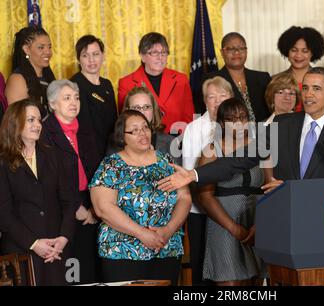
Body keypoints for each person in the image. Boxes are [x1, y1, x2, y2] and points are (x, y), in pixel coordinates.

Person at [158, 67, 324, 195]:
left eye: (316, 89)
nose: (308, 95)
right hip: (285, 219)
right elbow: (240, 159)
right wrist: (193, 174)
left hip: (323, 217)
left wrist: (292, 189)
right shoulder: (282, 124)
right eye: (305, 88)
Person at [89, 110, 191, 285]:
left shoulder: (165, 160)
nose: (142, 133)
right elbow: (103, 207)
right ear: (122, 136)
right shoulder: (111, 165)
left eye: (145, 128)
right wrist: (141, 233)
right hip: (122, 251)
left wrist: (168, 230)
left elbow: (185, 198)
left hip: (165, 247)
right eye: (134, 130)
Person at [0, 99, 77, 285]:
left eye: (39, 120)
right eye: (30, 120)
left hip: (55, 252)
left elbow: (69, 202)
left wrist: (63, 238)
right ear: (15, 123)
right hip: (21, 254)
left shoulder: (53, 156)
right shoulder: (3, 162)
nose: (37, 125)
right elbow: (4, 214)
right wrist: (35, 244)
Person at [198, 98, 265, 286]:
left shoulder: (261, 147)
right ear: (221, 123)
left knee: (257, 283)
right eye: (231, 119)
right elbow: (204, 196)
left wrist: (260, 225)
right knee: (231, 285)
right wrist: (233, 228)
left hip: (258, 223)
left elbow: (272, 188)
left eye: (242, 117)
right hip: (224, 223)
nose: (238, 123)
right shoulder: (211, 150)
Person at [41, 80, 102, 284]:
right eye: (66, 98)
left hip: (89, 202)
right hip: (62, 206)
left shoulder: (84, 129)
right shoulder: (44, 133)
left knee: (88, 264)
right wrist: (76, 207)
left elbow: (97, 169)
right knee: (68, 268)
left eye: (76, 98)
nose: (73, 102)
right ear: (52, 104)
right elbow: (50, 177)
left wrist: (95, 206)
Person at [182, 76, 233, 285]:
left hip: (232, 209)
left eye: (223, 95)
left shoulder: (244, 129)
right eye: (211, 96)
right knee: (203, 268)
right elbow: (189, 172)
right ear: (205, 101)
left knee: (229, 267)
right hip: (201, 211)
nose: (217, 101)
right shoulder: (194, 128)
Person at [118, 32, 194, 135]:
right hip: (143, 141)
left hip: (177, 142)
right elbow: (125, 122)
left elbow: (189, 117)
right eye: (154, 53)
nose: (160, 57)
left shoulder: (181, 79)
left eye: (163, 52)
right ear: (142, 56)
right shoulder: (126, 83)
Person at [203, 32, 271, 124]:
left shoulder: (263, 78)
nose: (236, 52)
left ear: (246, 51)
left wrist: (270, 136)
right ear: (222, 52)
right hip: (229, 135)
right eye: (231, 49)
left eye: (241, 48)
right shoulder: (211, 79)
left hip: (264, 134)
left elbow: (271, 111)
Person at [71, 35, 118, 157]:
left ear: (103, 55)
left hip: (111, 151)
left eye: (95, 54)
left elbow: (114, 121)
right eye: (85, 55)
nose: (91, 60)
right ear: (78, 59)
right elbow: (81, 129)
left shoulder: (107, 84)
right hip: (87, 154)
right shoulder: (74, 85)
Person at [111, 86, 179, 164]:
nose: (142, 112)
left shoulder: (171, 142)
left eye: (146, 107)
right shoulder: (115, 141)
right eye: (136, 108)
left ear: (154, 109)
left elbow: (180, 175)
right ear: (127, 110)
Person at [5, 26, 55, 117]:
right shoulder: (17, 80)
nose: (48, 52)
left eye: (49, 47)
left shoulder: (48, 77)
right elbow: (18, 120)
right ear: (26, 49)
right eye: (41, 47)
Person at [276, 26, 324, 112]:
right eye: (294, 50)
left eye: (305, 51)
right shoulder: (276, 80)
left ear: (312, 53)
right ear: (287, 51)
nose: (298, 55)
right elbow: (269, 117)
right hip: (284, 125)